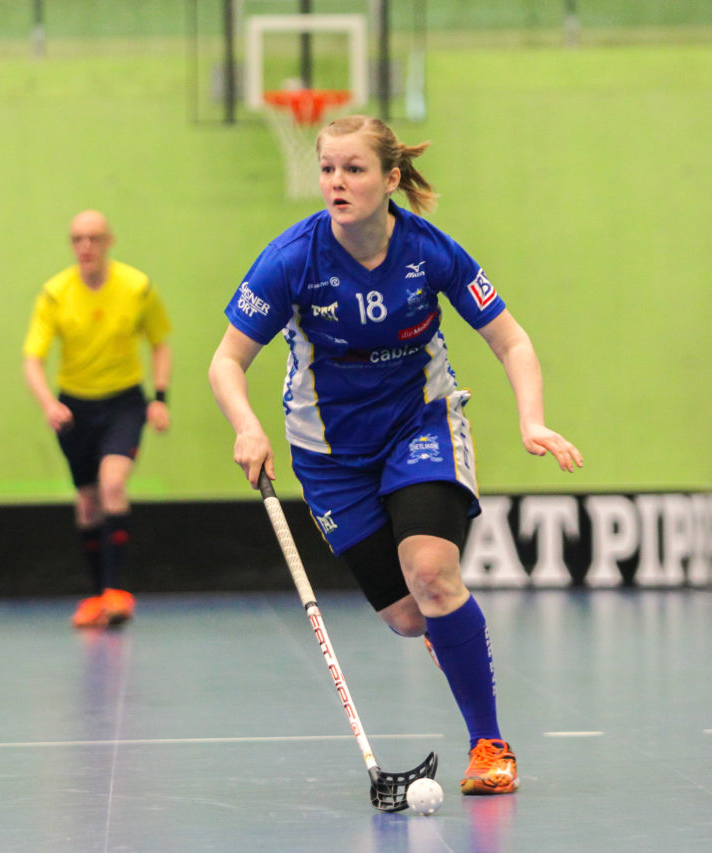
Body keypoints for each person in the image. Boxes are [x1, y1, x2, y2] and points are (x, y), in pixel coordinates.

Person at [207, 116, 583, 795]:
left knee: (433, 573)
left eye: (352, 169)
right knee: (410, 615)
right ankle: (451, 632)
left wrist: (533, 419)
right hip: (329, 454)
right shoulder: (293, 258)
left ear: (389, 178)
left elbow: (512, 341)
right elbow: (227, 360)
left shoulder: (428, 251)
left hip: (420, 425)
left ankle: (489, 745)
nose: (336, 182)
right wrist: (246, 425)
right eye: (327, 169)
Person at [23, 210, 172, 629]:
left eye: (93, 238)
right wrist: (48, 404)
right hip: (75, 407)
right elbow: (33, 359)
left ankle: (115, 592)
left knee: (112, 484)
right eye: (77, 239)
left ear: (109, 242)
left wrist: (159, 397)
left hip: (124, 403)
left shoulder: (137, 288)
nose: (85, 246)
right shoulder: (55, 294)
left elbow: (161, 344)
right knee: (88, 504)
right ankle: (95, 597)